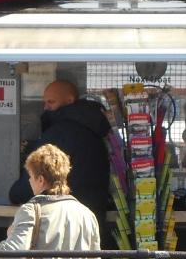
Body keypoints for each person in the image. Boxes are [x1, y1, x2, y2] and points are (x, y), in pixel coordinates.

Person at [9, 79, 111, 225]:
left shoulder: (59, 133)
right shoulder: (93, 130)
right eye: (45, 102)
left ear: (69, 100)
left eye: (51, 102)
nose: (46, 107)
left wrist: (15, 194)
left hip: (63, 221)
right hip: (91, 217)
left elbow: (33, 181)